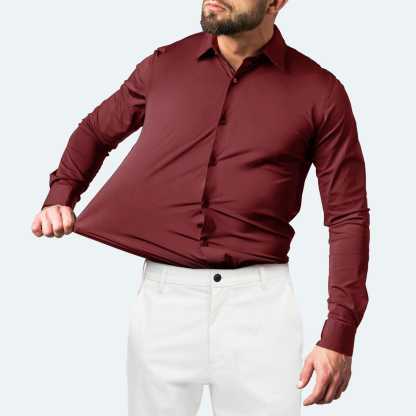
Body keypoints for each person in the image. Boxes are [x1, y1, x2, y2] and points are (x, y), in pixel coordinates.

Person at [32, 0, 371, 414]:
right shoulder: (164, 65)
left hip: (261, 309)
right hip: (163, 302)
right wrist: (61, 194)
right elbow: (96, 131)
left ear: (276, 2)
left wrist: (339, 332)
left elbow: (347, 215)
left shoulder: (320, 91)